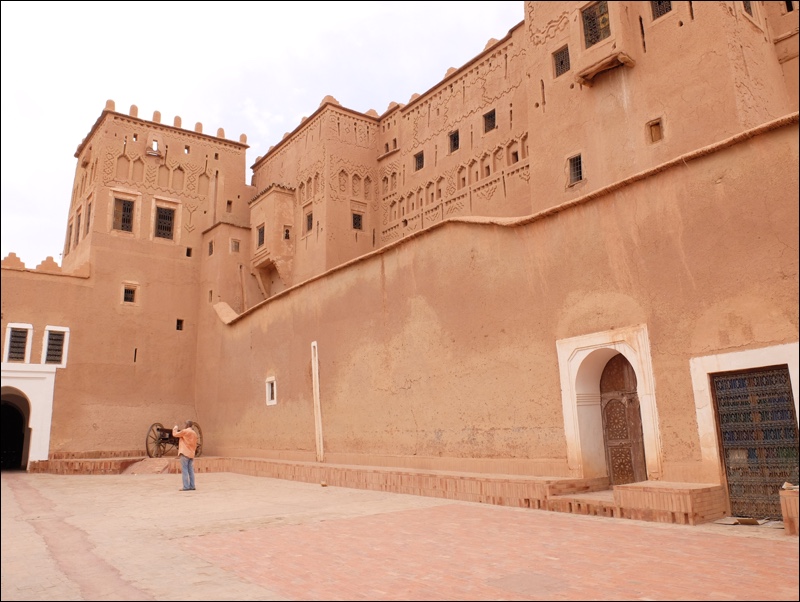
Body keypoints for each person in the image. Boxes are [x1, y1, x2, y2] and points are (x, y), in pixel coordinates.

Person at [172, 421, 198, 491]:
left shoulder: (185, 431)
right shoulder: (194, 433)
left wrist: (175, 428)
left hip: (184, 453)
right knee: (191, 470)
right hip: (191, 454)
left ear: (187, 425)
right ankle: (192, 486)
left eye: (185, 424)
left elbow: (175, 434)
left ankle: (186, 487)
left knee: (185, 470)